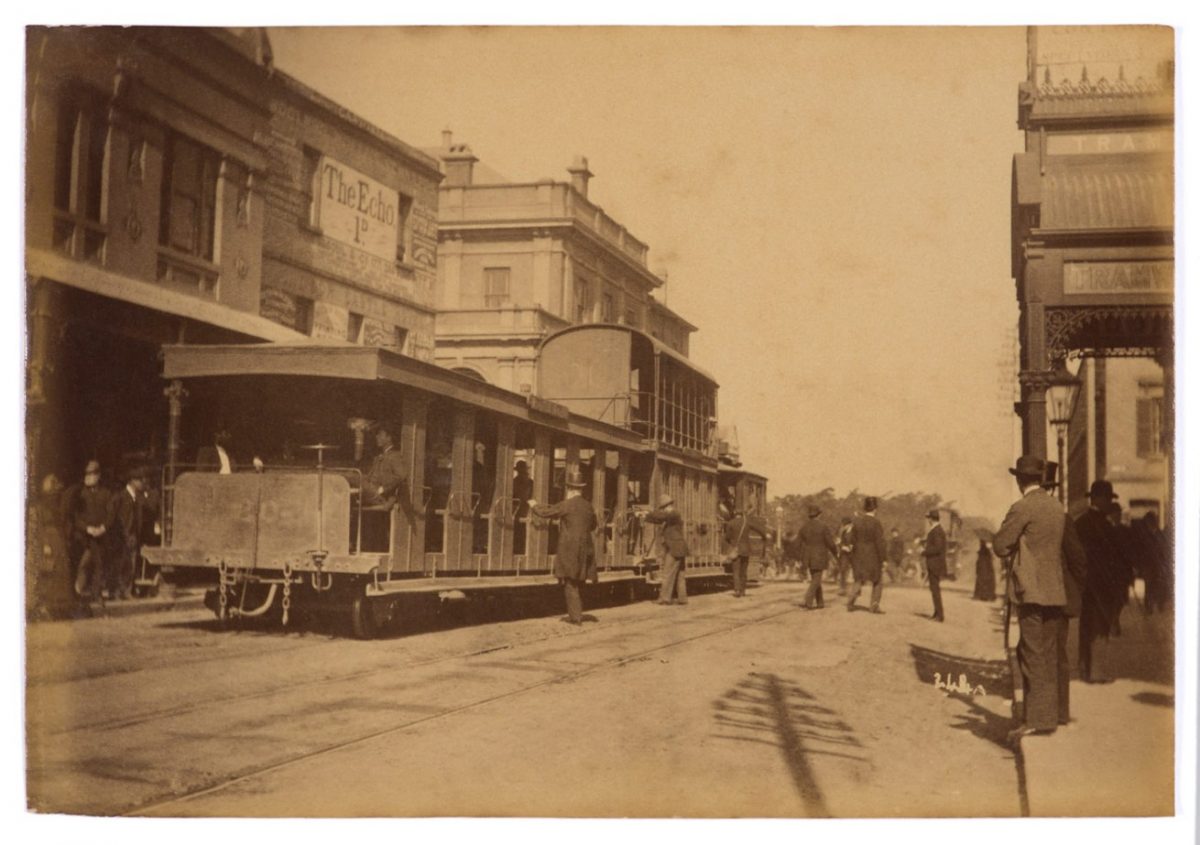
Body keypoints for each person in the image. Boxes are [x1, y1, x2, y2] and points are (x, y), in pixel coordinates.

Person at [993, 455, 1068, 742]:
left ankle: (1037, 720)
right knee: (1047, 653)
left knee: (1031, 654)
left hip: (1030, 592)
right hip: (1054, 591)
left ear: (1020, 480)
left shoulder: (1022, 507)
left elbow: (1001, 545)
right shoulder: (1056, 507)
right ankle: (1048, 715)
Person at [529, 468, 597, 625]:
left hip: (570, 548)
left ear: (570, 489)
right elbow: (594, 525)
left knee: (570, 582)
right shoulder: (588, 506)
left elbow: (546, 513)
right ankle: (577, 612)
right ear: (580, 489)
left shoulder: (567, 504)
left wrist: (534, 505)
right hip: (586, 547)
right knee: (578, 580)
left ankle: (576, 617)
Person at [1074, 480, 1123, 683]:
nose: (1109, 503)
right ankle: (1096, 672)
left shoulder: (1079, 523)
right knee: (1101, 625)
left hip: (1086, 585)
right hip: (1103, 585)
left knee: (1087, 624)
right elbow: (1116, 559)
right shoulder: (1107, 526)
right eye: (1107, 499)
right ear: (1098, 499)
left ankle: (1085, 668)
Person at [66, 459, 112, 602]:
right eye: (87, 474)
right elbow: (75, 517)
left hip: (101, 537)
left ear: (98, 476)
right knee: (84, 564)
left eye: (92, 474)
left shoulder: (106, 494)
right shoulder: (80, 494)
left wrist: (103, 527)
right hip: (83, 538)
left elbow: (111, 515)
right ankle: (79, 592)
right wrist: (87, 528)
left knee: (97, 565)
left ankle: (92, 593)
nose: (89, 477)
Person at [109, 467, 153, 600]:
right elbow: (113, 517)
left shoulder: (137, 498)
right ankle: (116, 591)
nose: (142, 483)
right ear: (132, 481)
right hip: (121, 537)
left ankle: (126, 590)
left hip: (133, 537)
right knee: (119, 565)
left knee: (131, 565)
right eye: (140, 480)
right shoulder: (120, 497)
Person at [643, 493, 690, 606]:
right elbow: (658, 520)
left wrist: (647, 513)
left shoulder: (673, 513)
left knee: (667, 573)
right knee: (679, 575)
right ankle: (682, 599)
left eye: (663, 508)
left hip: (675, 548)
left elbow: (661, 517)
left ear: (667, 506)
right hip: (679, 548)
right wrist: (646, 516)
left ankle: (665, 598)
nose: (663, 510)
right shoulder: (672, 516)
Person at [847, 496, 887, 613]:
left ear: (865, 508)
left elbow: (851, 540)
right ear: (875, 509)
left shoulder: (857, 522)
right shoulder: (876, 523)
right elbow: (880, 542)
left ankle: (851, 601)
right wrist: (883, 559)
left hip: (858, 555)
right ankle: (874, 605)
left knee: (858, 579)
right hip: (872, 556)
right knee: (877, 580)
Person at [723, 508, 770, 598]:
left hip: (736, 550)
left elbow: (727, 537)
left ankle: (737, 590)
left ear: (735, 514)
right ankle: (743, 591)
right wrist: (764, 536)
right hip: (746, 550)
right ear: (742, 514)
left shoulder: (731, 523)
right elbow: (759, 529)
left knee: (736, 571)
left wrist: (732, 543)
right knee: (743, 571)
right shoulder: (746, 522)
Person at [798, 504, 838, 609]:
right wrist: (835, 553)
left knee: (815, 578)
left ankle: (820, 602)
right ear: (819, 514)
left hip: (808, 556)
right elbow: (830, 543)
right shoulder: (823, 526)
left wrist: (800, 557)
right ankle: (808, 600)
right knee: (816, 579)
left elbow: (798, 543)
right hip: (819, 555)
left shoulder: (804, 527)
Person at [362, 422, 407, 508]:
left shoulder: (395, 456)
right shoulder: (379, 456)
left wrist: (383, 489)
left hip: (380, 496)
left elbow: (401, 476)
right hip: (371, 491)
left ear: (389, 438)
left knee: (354, 478)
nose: (377, 437)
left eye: (380, 434)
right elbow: (370, 477)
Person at [922, 510, 947, 621]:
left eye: (929, 518)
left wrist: (924, 551)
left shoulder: (936, 531)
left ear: (931, 519)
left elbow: (937, 548)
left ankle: (939, 615)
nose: (928, 520)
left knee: (935, 589)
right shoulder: (937, 530)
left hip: (935, 564)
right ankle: (937, 613)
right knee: (934, 589)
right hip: (935, 564)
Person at [834, 516, 854, 594]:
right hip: (845, 554)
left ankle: (856, 589)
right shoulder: (844, 532)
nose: (843, 527)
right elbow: (842, 543)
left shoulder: (854, 532)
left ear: (849, 524)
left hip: (853, 553)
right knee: (843, 569)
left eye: (845, 525)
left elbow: (854, 544)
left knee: (855, 570)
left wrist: (842, 545)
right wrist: (840, 544)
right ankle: (843, 588)